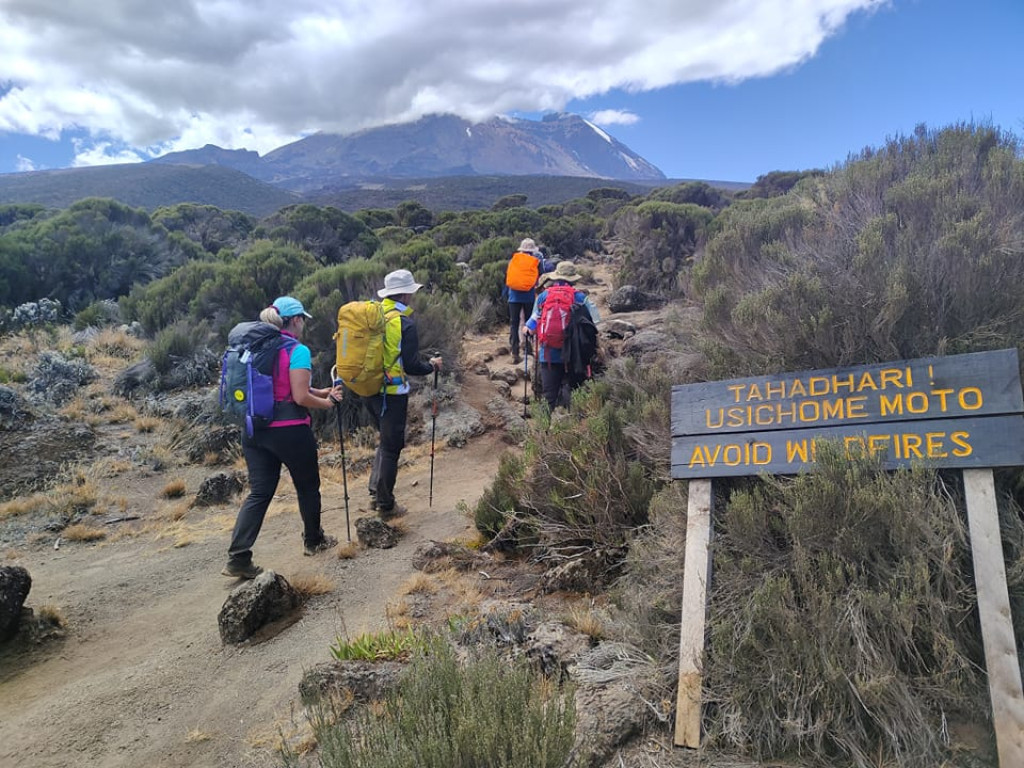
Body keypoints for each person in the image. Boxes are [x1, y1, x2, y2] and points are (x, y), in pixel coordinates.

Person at [223, 296, 345, 579]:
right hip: (289, 431)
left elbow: (286, 390)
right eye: (303, 318)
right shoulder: (297, 350)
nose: (304, 324)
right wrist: (328, 403)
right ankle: (314, 541)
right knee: (307, 486)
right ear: (296, 320)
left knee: (260, 492)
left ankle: (238, 557)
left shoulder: (254, 347)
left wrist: (322, 392)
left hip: (254, 430)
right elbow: (299, 396)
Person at [362, 269, 443, 518]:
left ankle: (376, 492)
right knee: (392, 445)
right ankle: (386, 505)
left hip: (367, 388)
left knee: (385, 442)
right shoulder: (403, 322)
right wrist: (432, 365)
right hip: (392, 393)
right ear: (407, 294)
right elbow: (411, 366)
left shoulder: (372, 314)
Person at [523, 261, 601, 411]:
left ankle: (544, 430)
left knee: (548, 397)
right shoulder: (580, 297)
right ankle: (575, 429)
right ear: (573, 279)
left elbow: (529, 327)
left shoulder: (543, 296)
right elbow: (595, 320)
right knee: (576, 394)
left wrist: (528, 331)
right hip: (574, 355)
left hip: (548, 355)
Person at [504, 238, 553, 364]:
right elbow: (541, 276)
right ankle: (528, 349)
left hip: (513, 296)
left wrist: (504, 294)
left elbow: (508, 278)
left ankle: (514, 352)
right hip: (528, 296)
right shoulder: (535, 261)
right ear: (532, 250)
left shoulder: (513, 260)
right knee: (528, 322)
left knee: (514, 324)